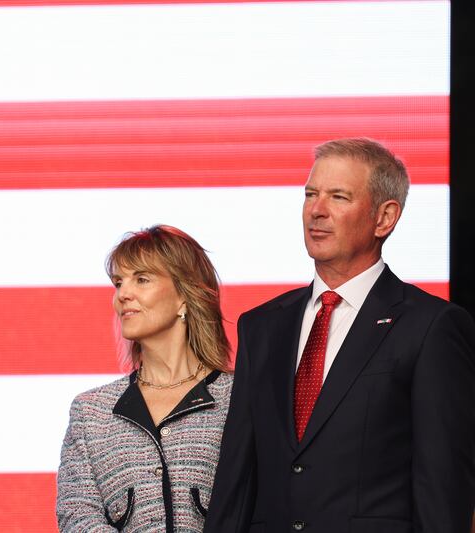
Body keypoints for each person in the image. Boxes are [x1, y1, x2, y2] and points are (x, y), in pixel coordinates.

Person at [204, 138, 475, 533]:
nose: (317, 210)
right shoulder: (261, 326)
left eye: (339, 197)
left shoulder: (431, 326)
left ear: (385, 218)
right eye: (311, 194)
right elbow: (236, 478)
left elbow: (443, 486)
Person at [57, 225, 233, 532]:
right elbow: (77, 518)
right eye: (118, 282)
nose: (123, 294)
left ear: (184, 295)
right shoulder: (90, 412)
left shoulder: (240, 399)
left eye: (142, 279)